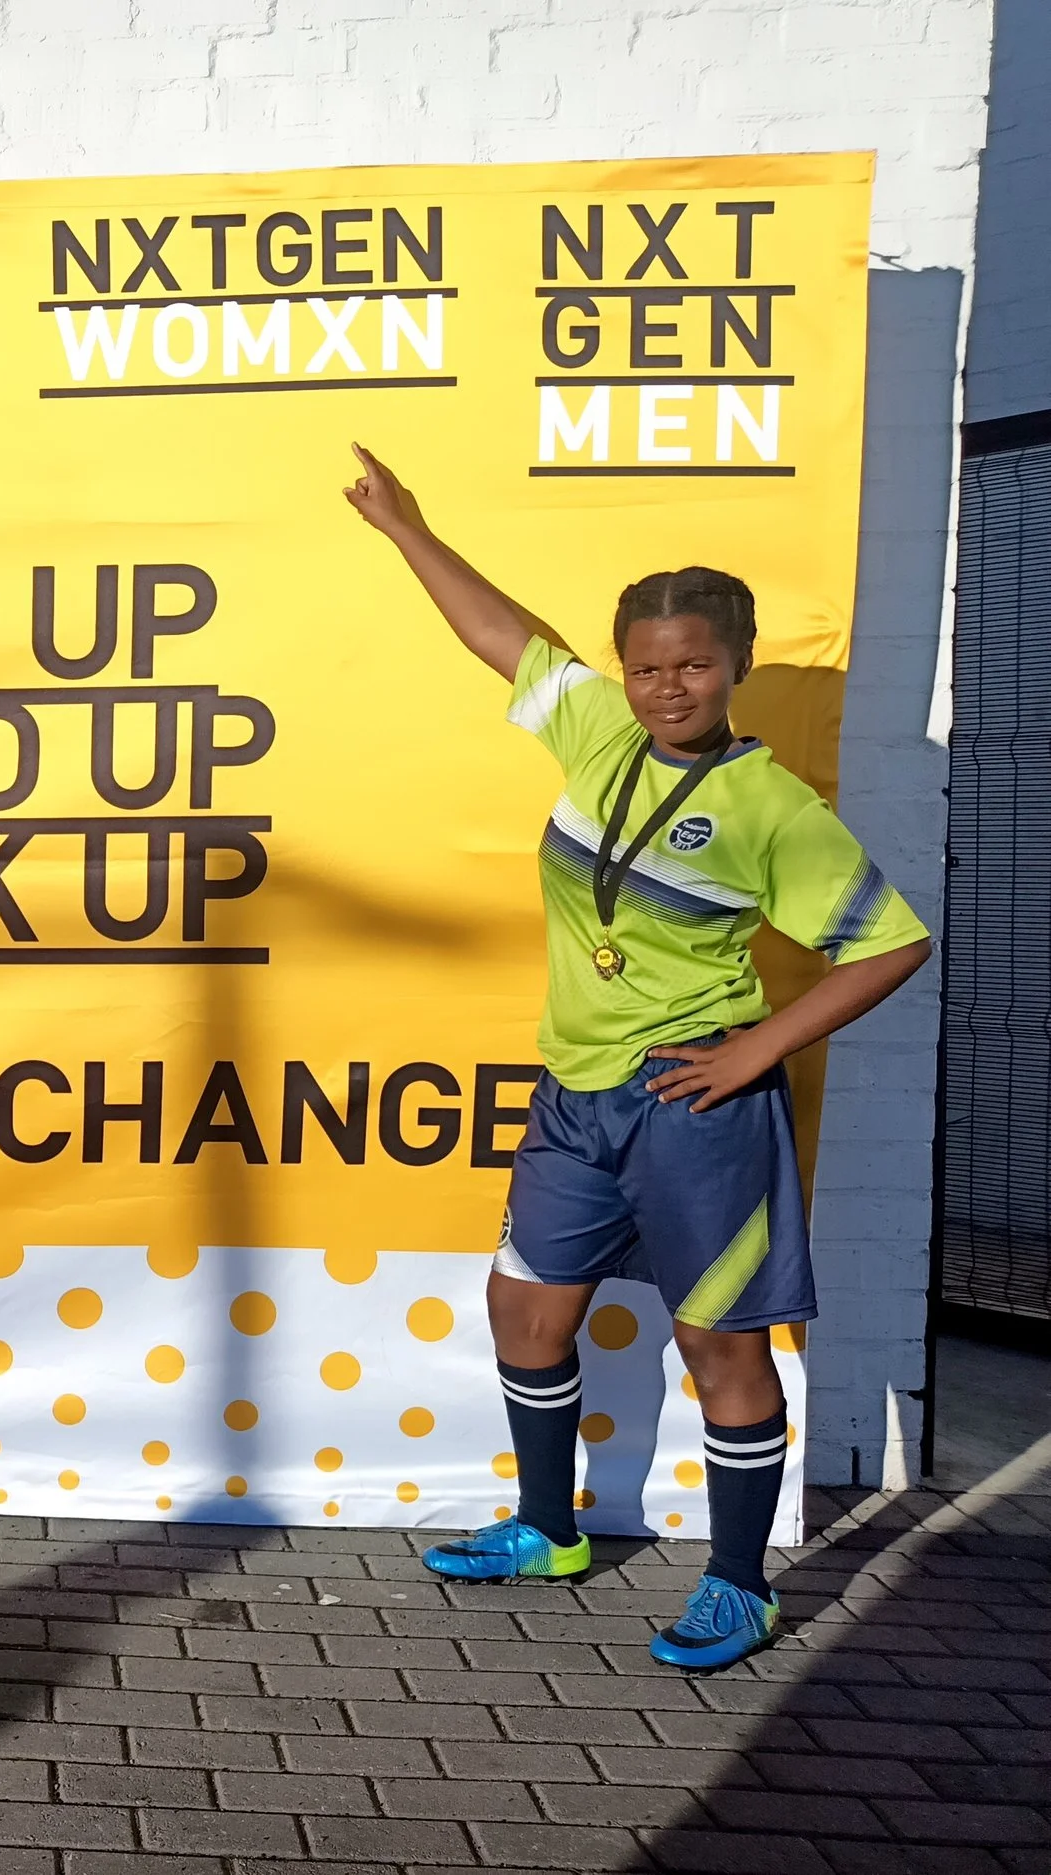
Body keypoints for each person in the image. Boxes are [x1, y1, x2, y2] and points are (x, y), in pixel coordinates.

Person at [343, 445, 930, 1671]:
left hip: (692, 1111)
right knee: (523, 1308)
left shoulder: (773, 809)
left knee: (720, 1345)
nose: (668, 689)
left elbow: (889, 943)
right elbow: (501, 635)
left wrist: (754, 1050)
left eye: (693, 666)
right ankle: (548, 1530)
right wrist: (405, 528)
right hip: (575, 1094)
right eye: (647, 667)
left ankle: (739, 1587)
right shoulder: (599, 735)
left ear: (737, 664)